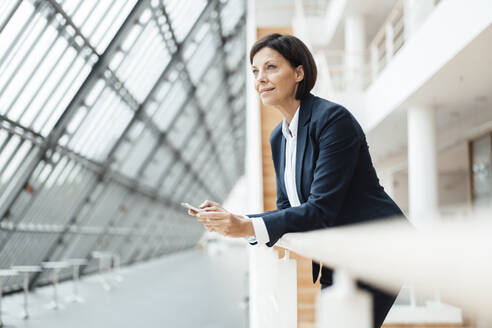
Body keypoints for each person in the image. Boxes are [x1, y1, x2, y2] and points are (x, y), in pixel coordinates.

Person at [187, 33, 405, 328]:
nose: (260, 79)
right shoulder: (279, 137)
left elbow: (320, 210)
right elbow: (286, 209)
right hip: (337, 261)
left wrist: (245, 226)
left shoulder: (332, 120)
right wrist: (234, 219)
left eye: (271, 67)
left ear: (299, 72)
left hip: (376, 254)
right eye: (255, 71)